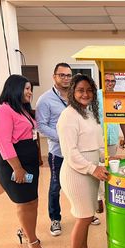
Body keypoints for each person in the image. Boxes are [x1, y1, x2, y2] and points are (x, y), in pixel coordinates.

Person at [57, 74, 108, 248]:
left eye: (89, 90)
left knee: (88, 215)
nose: (85, 94)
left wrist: (104, 160)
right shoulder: (68, 116)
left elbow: (95, 142)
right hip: (77, 174)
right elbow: (70, 153)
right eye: (80, 90)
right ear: (72, 92)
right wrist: (92, 168)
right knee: (83, 216)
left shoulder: (88, 112)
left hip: (90, 173)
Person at [0, 74, 45, 248]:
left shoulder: (22, 110)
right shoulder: (3, 111)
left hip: (28, 163)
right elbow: (3, 142)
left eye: (31, 89)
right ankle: (32, 241)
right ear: (14, 88)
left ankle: (26, 231)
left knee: (33, 200)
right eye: (27, 88)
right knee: (24, 202)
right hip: (13, 164)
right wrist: (17, 168)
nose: (30, 92)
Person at [36, 62, 72, 236]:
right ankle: (55, 219)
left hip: (76, 151)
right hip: (58, 152)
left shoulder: (75, 96)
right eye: (62, 75)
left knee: (82, 182)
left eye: (68, 75)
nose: (66, 78)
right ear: (54, 76)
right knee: (56, 185)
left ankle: (88, 214)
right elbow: (41, 126)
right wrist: (63, 137)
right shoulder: (45, 99)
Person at [92, 72, 125, 225]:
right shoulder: (96, 96)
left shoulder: (118, 97)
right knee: (98, 168)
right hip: (97, 139)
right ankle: (99, 198)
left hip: (112, 139)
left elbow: (123, 118)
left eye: (113, 81)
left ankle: (109, 196)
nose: (110, 83)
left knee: (111, 168)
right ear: (103, 81)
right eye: (107, 80)